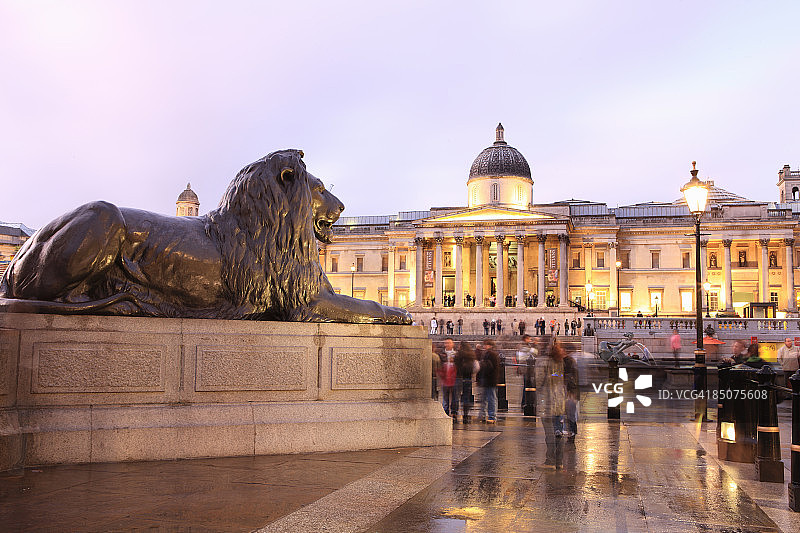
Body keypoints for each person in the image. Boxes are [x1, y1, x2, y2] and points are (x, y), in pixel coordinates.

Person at [536, 338, 566, 465]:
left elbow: (539, 381)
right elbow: (560, 376)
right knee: (558, 432)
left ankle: (550, 461)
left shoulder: (544, 361)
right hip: (559, 399)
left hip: (548, 400)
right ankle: (559, 461)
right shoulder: (560, 360)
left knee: (549, 432)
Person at [477, 339, 500, 423]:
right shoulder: (486, 354)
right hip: (485, 379)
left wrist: (482, 364)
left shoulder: (492, 355)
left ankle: (492, 416)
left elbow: (491, 367)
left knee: (491, 399)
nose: (484, 346)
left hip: (490, 380)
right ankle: (482, 415)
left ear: (490, 346)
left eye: (486, 345)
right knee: (483, 399)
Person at [456, 340, 476, 423]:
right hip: (468, 378)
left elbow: (456, 364)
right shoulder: (471, 355)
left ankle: (455, 413)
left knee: (456, 396)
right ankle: (465, 415)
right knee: (466, 397)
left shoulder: (459, 354)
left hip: (459, 377)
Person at [437, 338, 458, 417]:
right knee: (445, 397)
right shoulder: (441, 354)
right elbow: (439, 366)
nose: (447, 344)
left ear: (453, 344)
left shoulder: (456, 354)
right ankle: (445, 411)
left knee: (455, 397)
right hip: (445, 378)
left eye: (449, 343)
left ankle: (454, 412)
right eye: (446, 343)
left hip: (454, 378)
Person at [563, 348, 579, 440]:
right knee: (570, 412)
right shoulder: (572, 361)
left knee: (569, 411)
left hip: (569, 389)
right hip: (570, 389)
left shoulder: (568, 361)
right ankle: (572, 430)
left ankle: (571, 430)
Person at [518, 334, 538, 409]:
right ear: (525, 339)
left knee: (528, 386)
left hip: (528, 369)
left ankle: (527, 401)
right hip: (526, 369)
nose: (530, 340)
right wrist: (535, 345)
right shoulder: (522, 346)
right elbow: (534, 352)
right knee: (527, 386)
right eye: (529, 339)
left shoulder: (527, 346)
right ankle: (525, 402)